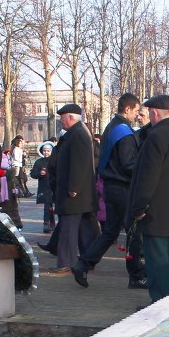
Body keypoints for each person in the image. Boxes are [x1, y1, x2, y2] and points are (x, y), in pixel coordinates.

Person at [72, 94, 146, 289]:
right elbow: (128, 164)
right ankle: (136, 275)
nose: (138, 115)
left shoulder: (112, 127)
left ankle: (83, 263)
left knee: (110, 231)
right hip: (122, 187)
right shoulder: (124, 132)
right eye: (137, 110)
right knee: (133, 231)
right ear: (128, 109)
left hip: (111, 187)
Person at [126, 94, 169, 303]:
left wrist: (138, 206)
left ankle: (159, 306)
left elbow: (147, 177)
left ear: (154, 113)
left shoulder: (156, 136)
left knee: (157, 265)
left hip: (154, 211)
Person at [52, 103, 95, 276]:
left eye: (62, 118)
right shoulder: (76, 133)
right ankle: (88, 259)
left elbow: (79, 163)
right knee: (85, 229)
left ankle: (66, 263)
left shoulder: (77, 134)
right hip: (80, 193)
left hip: (75, 193)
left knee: (68, 228)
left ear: (71, 117)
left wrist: (74, 188)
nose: (61, 121)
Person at [30, 141, 56, 232]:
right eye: (44, 150)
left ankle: (52, 223)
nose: (46, 152)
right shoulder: (39, 162)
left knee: (50, 206)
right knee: (47, 205)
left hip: (54, 186)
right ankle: (46, 224)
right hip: (44, 187)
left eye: (48, 151)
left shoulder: (54, 161)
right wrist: (40, 173)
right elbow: (33, 174)